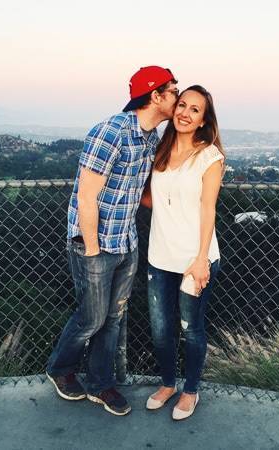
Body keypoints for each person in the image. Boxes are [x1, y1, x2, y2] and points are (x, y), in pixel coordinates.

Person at [46, 66, 178, 416]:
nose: (177, 98)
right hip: (95, 244)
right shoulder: (111, 132)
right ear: (156, 95)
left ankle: (100, 384)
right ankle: (59, 368)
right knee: (91, 318)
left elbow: (139, 191)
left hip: (126, 241)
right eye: (173, 91)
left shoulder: (151, 137)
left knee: (114, 318)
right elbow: (87, 196)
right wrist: (91, 249)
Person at [144, 85, 225, 420]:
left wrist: (201, 259)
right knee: (161, 329)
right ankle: (167, 383)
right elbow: (152, 198)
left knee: (190, 327)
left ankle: (190, 390)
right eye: (182, 105)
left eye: (195, 109)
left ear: (204, 120)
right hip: (159, 256)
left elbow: (209, 210)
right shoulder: (160, 152)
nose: (185, 113)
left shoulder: (209, 156)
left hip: (195, 259)